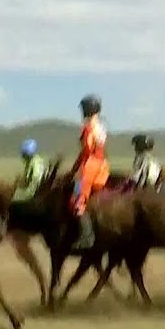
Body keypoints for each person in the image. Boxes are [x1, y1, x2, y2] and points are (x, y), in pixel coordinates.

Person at [70, 95, 110, 249]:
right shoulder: (101, 126)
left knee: (77, 199)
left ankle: (87, 236)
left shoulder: (88, 127)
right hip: (102, 165)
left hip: (89, 166)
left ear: (87, 109)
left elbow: (86, 149)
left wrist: (76, 168)